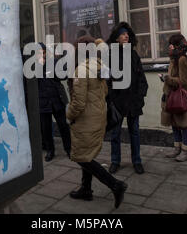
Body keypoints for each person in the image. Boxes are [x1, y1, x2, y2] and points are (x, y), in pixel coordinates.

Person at [66, 36, 128, 209]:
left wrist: (69, 115)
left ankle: (115, 185)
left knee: (80, 156)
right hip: (98, 117)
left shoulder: (81, 70)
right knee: (87, 153)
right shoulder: (100, 66)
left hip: (86, 120)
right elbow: (105, 91)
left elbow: (78, 103)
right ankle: (86, 189)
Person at [106, 22, 149, 174]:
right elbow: (107, 79)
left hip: (133, 101)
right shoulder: (111, 55)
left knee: (135, 132)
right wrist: (111, 98)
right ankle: (115, 161)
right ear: (116, 39)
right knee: (115, 134)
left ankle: (137, 161)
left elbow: (142, 78)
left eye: (127, 34)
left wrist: (140, 94)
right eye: (123, 34)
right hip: (117, 102)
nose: (126, 36)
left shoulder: (133, 54)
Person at [160, 34, 187, 162]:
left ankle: (185, 150)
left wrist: (168, 79)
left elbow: (184, 81)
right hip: (172, 95)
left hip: (182, 96)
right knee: (174, 123)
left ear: (176, 45)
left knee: (184, 123)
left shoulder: (182, 59)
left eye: (171, 44)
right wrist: (165, 78)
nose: (169, 46)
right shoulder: (174, 58)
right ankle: (177, 148)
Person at [36, 43, 71, 162]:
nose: (43, 55)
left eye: (44, 52)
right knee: (46, 129)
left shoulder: (54, 63)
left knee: (63, 127)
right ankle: (50, 151)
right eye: (40, 53)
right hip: (42, 102)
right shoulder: (33, 67)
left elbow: (64, 76)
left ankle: (69, 149)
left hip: (57, 100)